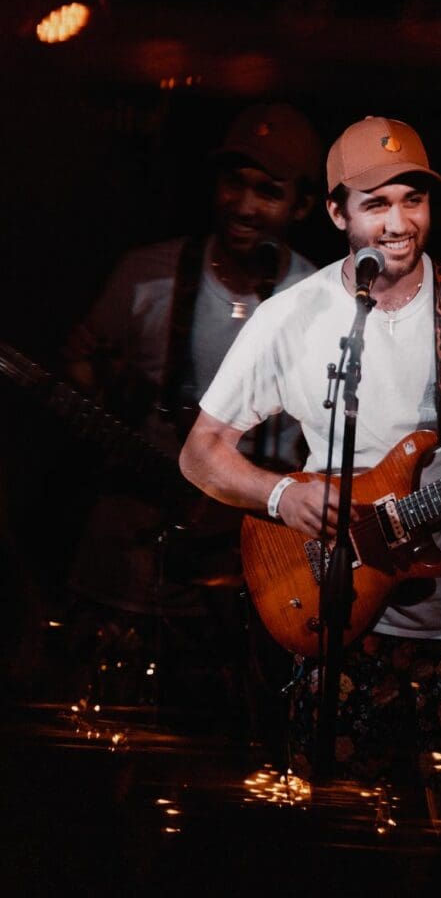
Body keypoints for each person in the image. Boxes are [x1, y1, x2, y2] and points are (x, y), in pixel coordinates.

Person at [178, 114, 441, 790]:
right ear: (334, 211)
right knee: (336, 843)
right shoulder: (292, 317)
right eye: (376, 203)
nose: (399, 222)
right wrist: (281, 495)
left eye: (413, 199)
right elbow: (200, 452)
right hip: (341, 623)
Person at [59, 101, 323, 740]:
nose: (244, 203)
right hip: (125, 568)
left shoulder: (324, 302)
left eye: (268, 190)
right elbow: (80, 358)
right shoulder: (143, 274)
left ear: (304, 207)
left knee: (221, 760)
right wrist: (92, 391)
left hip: (247, 581)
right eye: (234, 181)